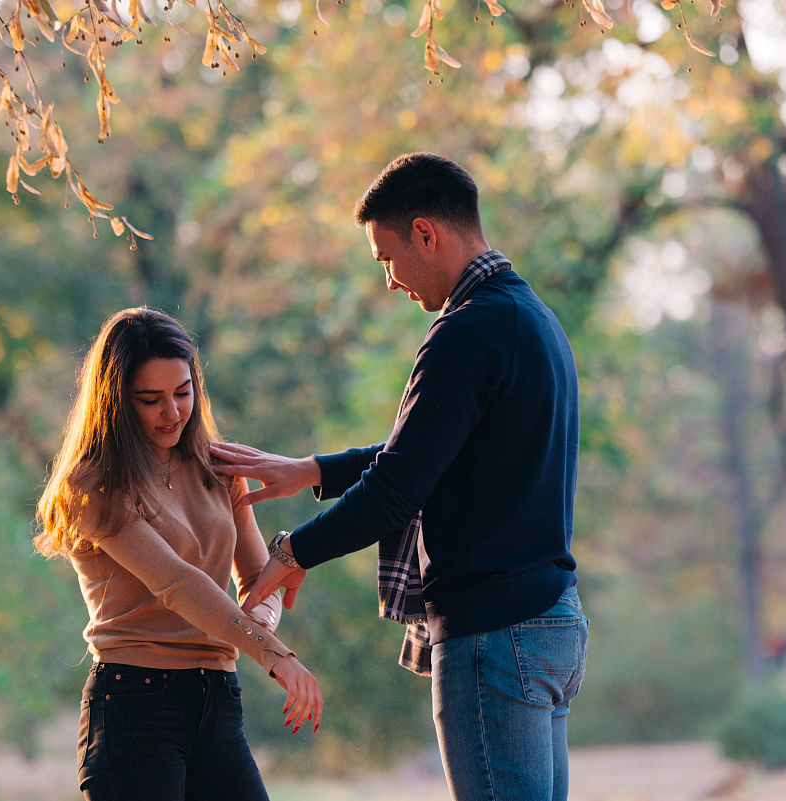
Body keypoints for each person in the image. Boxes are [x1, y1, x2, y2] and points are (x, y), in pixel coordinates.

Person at [211, 153, 588, 801]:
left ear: (425, 233)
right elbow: (435, 451)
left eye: (386, 260)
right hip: (549, 620)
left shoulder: (465, 332)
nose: (389, 281)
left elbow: (397, 488)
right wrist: (311, 471)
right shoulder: (530, 319)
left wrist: (292, 552)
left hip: (494, 635)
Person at [35, 307, 322, 801]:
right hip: (136, 703)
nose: (173, 413)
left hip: (219, 699)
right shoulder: (96, 484)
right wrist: (276, 658)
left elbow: (256, 578)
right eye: (151, 400)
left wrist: (261, 614)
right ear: (116, 401)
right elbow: (179, 584)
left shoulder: (221, 467)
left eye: (183, 393)